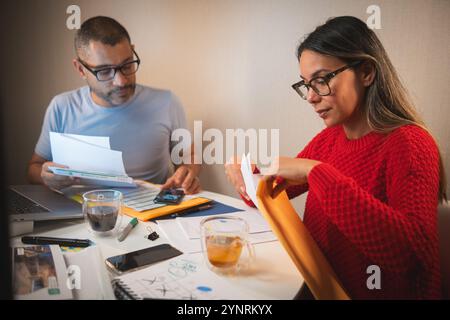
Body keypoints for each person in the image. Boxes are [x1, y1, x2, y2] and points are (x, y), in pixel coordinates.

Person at [225, 16, 446, 299]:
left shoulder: (411, 143)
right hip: (321, 287)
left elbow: (413, 257)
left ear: (366, 72)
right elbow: (271, 191)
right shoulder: (329, 140)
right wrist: (246, 178)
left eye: (321, 80)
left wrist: (315, 172)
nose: (311, 97)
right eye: (306, 85)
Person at [27, 16, 200, 194]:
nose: (121, 81)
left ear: (132, 52)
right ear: (80, 69)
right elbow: (34, 168)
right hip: (80, 213)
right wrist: (44, 176)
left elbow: (188, 158)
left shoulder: (167, 103)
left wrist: (188, 172)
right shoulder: (61, 108)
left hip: (152, 212)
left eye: (127, 65)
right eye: (104, 71)